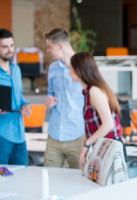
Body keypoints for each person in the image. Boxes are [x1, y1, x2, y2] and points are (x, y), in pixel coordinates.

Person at [69, 52, 122, 170]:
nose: (69, 72)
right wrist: (86, 145)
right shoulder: (89, 92)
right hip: (103, 148)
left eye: (71, 68)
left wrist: (86, 144)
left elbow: (108, 124)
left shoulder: (94, 92)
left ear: (78, 70)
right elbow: (91, 127)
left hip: (110, 148)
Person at [43, 28, 85, 168]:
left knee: (80, 181)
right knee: (48, 177)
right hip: (54, 134)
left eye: (49, 46)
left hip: (77, 135)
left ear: (60, 46)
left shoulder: (83, 66)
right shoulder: (53, 68)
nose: (47, 50)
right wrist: (49, 100)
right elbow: (51, 93)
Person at [0, 28, 32, 165]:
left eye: (12, 45)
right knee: (2, 179)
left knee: (22, 177)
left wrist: (27, 105)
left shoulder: (16, 70)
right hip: (2, 135)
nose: (10, 50)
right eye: (5, 47)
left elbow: (19, 97)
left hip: (20, 135)